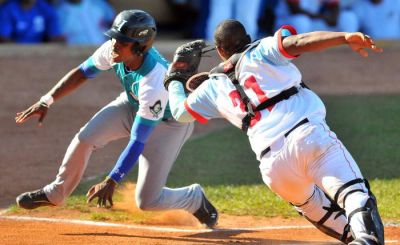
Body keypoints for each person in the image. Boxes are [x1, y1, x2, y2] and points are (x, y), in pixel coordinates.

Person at [164, 20, 384, 244]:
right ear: (248, 39)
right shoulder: (262, 49)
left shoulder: (212, 87)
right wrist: (344, 37)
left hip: (275, 169)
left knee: (323, 213)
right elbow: (300, 41)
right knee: (354, 196)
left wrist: (175, 77)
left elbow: (180, 112)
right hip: (309, 137)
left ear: (220, 51)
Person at [14, 9, 218, 229]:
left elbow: (139, 139)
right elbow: (82, 72)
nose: (114, 44)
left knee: (148, 201)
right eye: (114, 38)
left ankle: (193, 198)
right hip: (133, 104)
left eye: (122, 41)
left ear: (139, 46)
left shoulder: (155, 79)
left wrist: (112, 180)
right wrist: (47, 100)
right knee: (86, 138)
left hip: (169, 125)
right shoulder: (113, 51)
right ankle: (55, 193)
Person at [274, 0, 359, 34]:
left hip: (313, 22)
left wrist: (334, 17)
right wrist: (323, 17)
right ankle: (298, 53)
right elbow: (295, 9)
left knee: (348, 17)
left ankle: (346, 52)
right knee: (301, 22)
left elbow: (334, 6)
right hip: (288, 23)